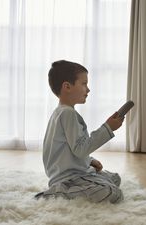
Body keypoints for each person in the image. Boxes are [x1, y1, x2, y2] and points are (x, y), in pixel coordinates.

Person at [35, 60, 124, 203]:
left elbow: (71, 149)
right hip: (69, 178)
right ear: (67, 87)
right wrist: (108, 128)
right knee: (113, 193)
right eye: (84, 84)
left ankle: (84, 184)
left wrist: (89, 161)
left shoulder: (62, 113)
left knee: (115, 178)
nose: (88, 89)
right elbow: (80, 149)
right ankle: (56, 193)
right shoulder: (67, 114)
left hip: (78, 173)